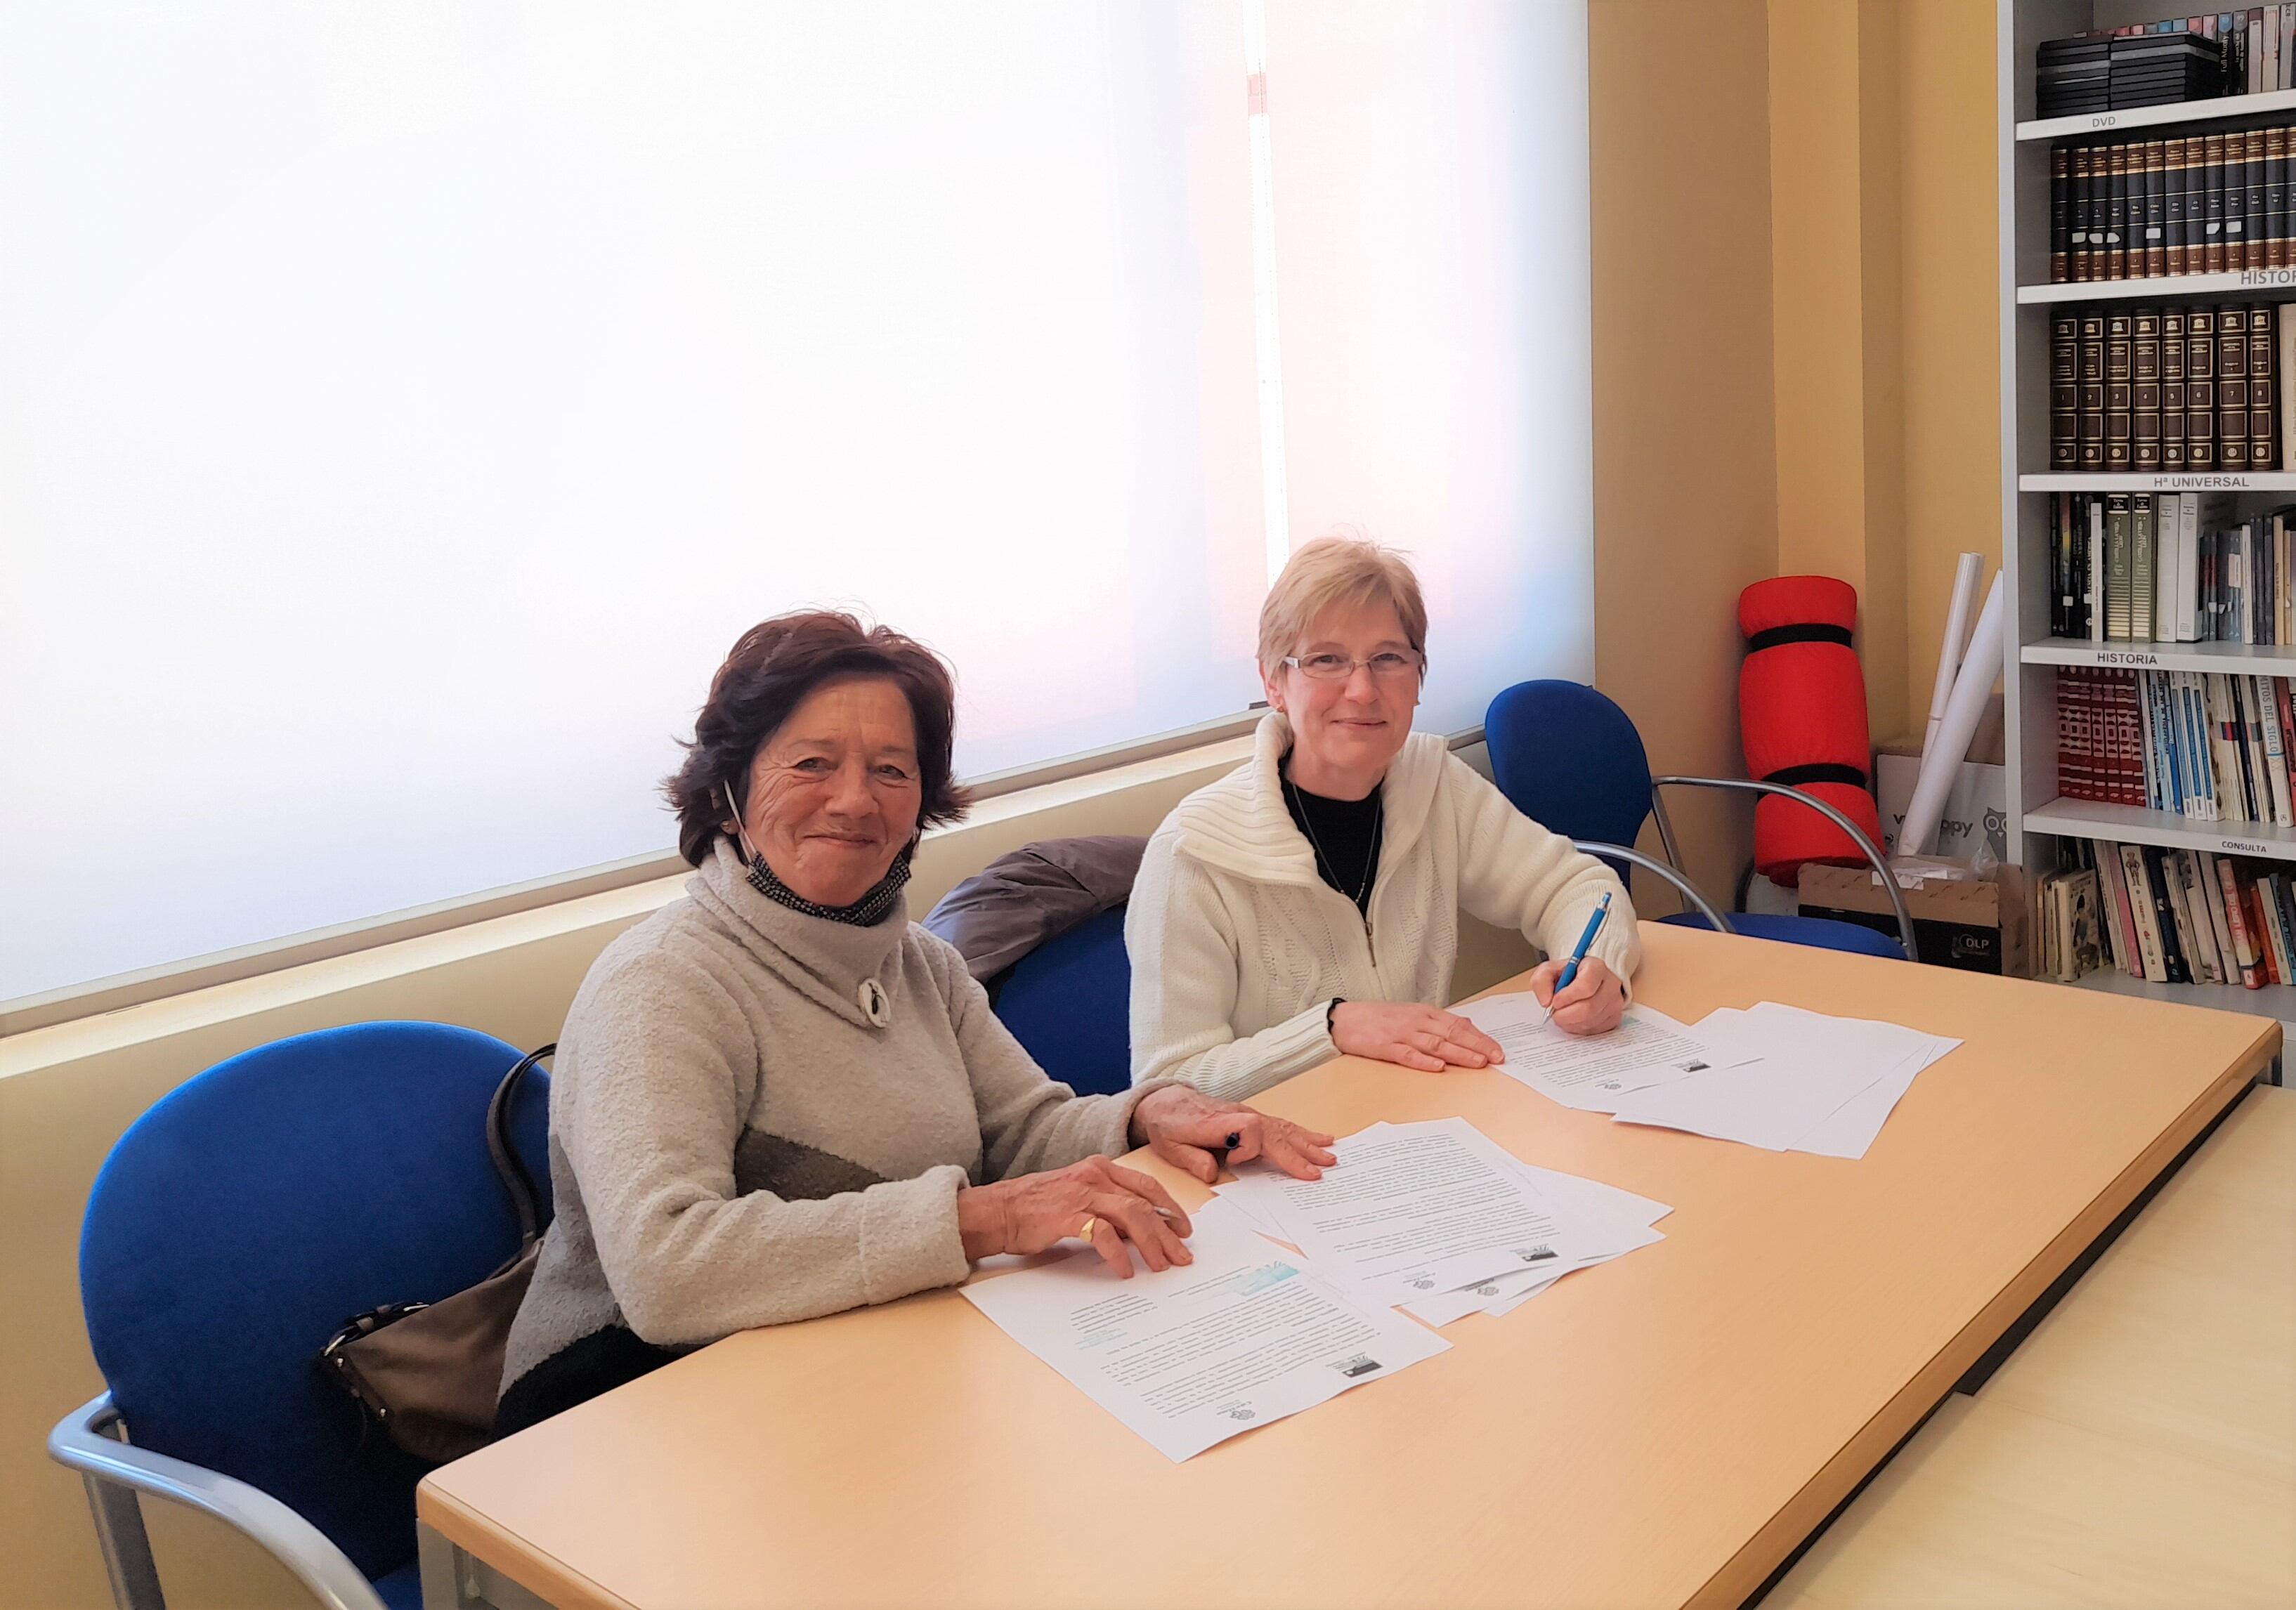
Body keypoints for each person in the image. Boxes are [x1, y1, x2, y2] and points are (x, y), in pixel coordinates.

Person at [497, 610, 1333, 1434]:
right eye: (812, 763)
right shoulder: (661, 984)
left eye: (892, 771)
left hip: (851, 1372)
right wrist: (985, 1219)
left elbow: (1022, 1128)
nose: (856, 800)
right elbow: (667, 1269)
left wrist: (1144, 1112)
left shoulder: (916, 962)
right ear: (727, 794)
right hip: (627, 1413)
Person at [1127, 536, 1642, 1102]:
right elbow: (1165, 1089)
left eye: (1389, 658)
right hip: (1274, 1165)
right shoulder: (1192, 852)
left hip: (1423, 1131)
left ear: (1419, 677)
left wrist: (1595, 964)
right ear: (1274, 681)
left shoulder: (1433, 783)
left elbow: (1582, 887)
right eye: (1326, 660)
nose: (1363, 689)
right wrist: (1333, 1029)